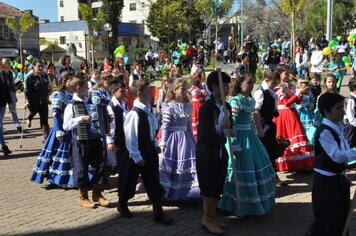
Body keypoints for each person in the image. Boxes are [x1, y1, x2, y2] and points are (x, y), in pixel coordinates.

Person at [219, 71, 276, 217]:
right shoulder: (235, 101)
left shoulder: (250, 100)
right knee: (235, 171)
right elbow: (230, 125)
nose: (251, 86)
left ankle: (252, 203)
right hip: (238, 138)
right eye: (248, 83)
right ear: (240, 83)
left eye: (252, 83)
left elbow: (253, 115)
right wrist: (234, 143)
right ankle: (230, 204)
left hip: (250, 138)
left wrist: (258, 127)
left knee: (255, 167)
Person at [118, 80, 173, 224]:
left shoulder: (148, 111)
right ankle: (122, 203)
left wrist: (155, 144)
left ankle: (158, 211)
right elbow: (131, 137)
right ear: (139, 94)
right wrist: (136, 156)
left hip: (149, 151)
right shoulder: (134, 114)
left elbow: (152, 132)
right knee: (129, 180)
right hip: (135, 153)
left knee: (153, 181)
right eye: (148, 92)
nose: (151, 94)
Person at [306, 92, 356, 236]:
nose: (343, 112)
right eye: (338, 108)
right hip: (326, 183)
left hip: (338, 179)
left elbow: (345, 152)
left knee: (342, 217)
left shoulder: (338, 128)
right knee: (328, 220)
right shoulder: (324, 132)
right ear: (326, 111)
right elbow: (337, 156)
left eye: (343, 107)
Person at [63, 76, 110, 209]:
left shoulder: (90, 103)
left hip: (94, 139)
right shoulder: (71, 105)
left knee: (101, 165)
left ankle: (97, 193)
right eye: (85, 87)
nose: (88, 89)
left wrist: (106, 121)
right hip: (80, 141)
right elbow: (66, 126)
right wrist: (80, 118)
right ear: (78, 88)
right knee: (81, 169)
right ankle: (83, 197)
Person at [196, 71, 233, 235]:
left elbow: (228, 127)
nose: (227, 88)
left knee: (218, 181)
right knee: (209, 184)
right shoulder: (206, 108)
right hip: (207, 152)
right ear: (214, 87)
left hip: (220, 150)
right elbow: (204, 134)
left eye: (228, 84)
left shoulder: (227, 105)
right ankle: (207, 218)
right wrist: (220, 127)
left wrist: (230, 131)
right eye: (223, 85)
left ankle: (213, 215)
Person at [159, 79, 200, 201]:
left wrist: (194, 141)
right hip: (173, 139)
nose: (183, 91)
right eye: (181, 89)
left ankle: (185, 192)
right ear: (174, 90)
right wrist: (163, 142)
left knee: (186, 165)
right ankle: (167, 193)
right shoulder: (169, 106)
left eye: (184, 89)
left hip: (185, 139)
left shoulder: (188, 106)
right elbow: (165, 126)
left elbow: (188, 126)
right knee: (170, 164)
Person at [30, 72, 74, 187]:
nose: (72, 81)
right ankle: (57, 178)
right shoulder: (58, 95)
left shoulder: (74, 95)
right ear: (63, 82)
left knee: (72, 155)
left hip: (72, 129)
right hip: (61, 129)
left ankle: (69, 179)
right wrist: (59, 130)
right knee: (58, 154)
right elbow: (55, 114)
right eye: (69, 79)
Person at [273, 65, 314, 171]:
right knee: (287, 137)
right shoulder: (278, 87)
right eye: (286, 73)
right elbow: (286, 102)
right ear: (280, 74)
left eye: (288, 73)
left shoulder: (290, 86)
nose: (288, 75)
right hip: (284, 114)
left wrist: (301, 92)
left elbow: (297, 101)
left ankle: (301, 163)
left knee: (298, 135)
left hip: (292, 113)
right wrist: (298, 92)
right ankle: (288, 164)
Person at [254, 69, 284, 185]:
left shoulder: (271, 91)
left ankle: (273, 175)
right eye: (273, 82)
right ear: (266, 80)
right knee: (264, 151)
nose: (275, 85)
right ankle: (265, 177)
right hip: (263, 126)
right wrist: (259, 126)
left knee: (272, 151)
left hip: (269, 124)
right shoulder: (260, 92)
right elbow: (256, 110)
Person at [307, 74, 339, 145]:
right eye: (329, 82)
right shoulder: (322, 95)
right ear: (325, 83)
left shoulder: (336, 94)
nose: (331, 84)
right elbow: (318, 110)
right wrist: (317, 120)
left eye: (333, 82)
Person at [25, 60, 50, 141]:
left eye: (41, 66)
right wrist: (27, 101)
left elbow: (48, 87)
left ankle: (46, 138)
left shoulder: (45, 76)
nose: (40, 68)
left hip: (43, 101)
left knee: (44, 120)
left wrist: (48, 96)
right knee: (33, 112)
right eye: (38, 66)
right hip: (33, 101)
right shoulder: (30, 77)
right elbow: (27, 90)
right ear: (34, 67)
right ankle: (29, 118)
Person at [107, 79, 128, 174]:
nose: (124, 93)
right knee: (117, 164)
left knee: (124, 163)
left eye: (125, 90)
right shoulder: (110, 107)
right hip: (116, 138)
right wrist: (110, 141)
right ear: (113, 92)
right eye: (121, 91)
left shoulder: (124, 104)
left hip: (124, 138)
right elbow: (109, 125)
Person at [1, 58, 21, 133]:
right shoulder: (1, 73)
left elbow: (12, 84)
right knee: (2, 112)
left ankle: (18, 125)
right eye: (6, 62)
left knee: (13, 109)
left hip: (11, 92)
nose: (8, 64)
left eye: (9, 63)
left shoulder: (10, 73)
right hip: (3, 94)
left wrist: (15, 95)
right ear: (3, 64)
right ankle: (0, 125)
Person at [188, 70, 207, 140]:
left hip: (202, 104)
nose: (204, 76)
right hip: (197, 106)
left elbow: (206, 94)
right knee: (197, 122)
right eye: (203, 75)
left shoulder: (203, 85)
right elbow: (195, 96)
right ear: (198, 78)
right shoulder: (193, 88)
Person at [0, 59, 12, 156]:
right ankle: (4, 146)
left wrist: (10, 102)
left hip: (2, 104)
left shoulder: (3, 74)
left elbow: (6, 89)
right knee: (0, 126)